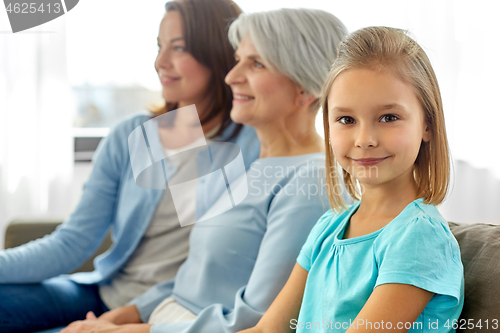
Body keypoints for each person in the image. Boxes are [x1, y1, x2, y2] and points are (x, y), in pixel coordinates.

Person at [58, 8, 348, 333]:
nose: (231, 76)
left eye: (256, 64)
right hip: (164, 317)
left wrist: (128, 331)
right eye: (238, 59)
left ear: (305, 89)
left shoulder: (311, 181)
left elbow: (255, 321)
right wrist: (127, 315)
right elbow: (195, 278)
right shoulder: (258, 166)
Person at [0, 0, 261, 332]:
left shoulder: (254, 146)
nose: (160, 62)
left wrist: (132, 314)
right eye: (158, 46)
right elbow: (73, 242)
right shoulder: (130, 135)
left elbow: (229, 265)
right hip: (103, 293)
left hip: (174, 310)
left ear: (218, 54)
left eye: (178, 48)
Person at [240, 27, 464, 333]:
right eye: (346, 120)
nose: (365, 139)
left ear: (427, 124)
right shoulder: (328, 227)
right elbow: (267, 330)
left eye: (388, 117)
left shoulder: (419, 237)